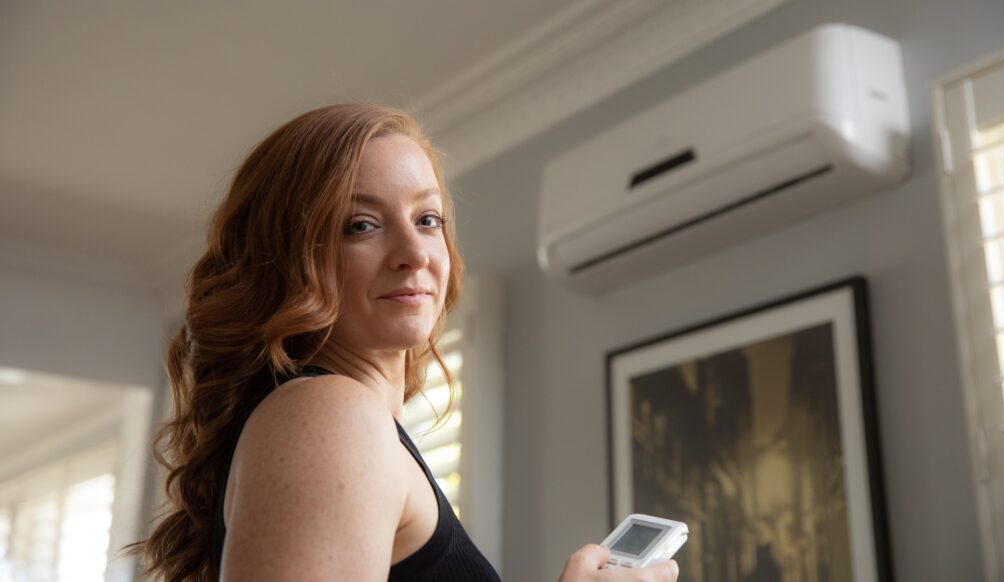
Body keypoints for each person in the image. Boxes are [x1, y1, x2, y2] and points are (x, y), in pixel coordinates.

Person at [129, 104, 680, 581]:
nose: (415, 253)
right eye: (361, 225)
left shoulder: (338, 422)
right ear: (286, 260)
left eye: (427, 219)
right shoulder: (332, 414)